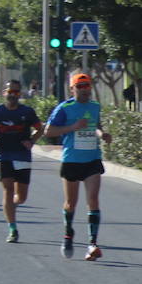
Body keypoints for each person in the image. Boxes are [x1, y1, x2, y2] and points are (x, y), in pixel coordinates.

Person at [44, 73, 112, 260]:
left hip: (92, 159)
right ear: (72, 89)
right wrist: (72, 127)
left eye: (87, 86)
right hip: (72, 160)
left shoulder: (95, 106)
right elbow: (48, 131)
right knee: (71, 203)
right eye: (80, 86)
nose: (84, 90)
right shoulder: (64, 108)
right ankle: (68, 233)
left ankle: (92, 244)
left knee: (93, 199)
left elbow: (95, 126)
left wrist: (102, 135)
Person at [0, 80, 45, 242]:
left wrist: (32, 141)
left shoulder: (27, 112)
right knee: (8, 189)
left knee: (21, 197)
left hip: (22, 156)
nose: (13, 95)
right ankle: (12, 228)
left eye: (16, 92)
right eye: (10, 91)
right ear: (4, 92)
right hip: (4, 155)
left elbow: (40, 128)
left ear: (20, 94)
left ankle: (13, 206)